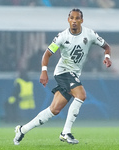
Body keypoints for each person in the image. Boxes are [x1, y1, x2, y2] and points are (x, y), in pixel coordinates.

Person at [13, 8, 112, 145]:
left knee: (54, 110)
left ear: (81, 20)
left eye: (77, 18)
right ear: (68, 20)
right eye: (72, 18)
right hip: (63, 72)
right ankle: (66, 132)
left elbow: (106, 46)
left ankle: (22, 130)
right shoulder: (62, 37)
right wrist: (44, 71)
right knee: (81, 95)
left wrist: (107, 57)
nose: (74, 21)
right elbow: (47, 54)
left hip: (74, 74)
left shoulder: (90, 34)